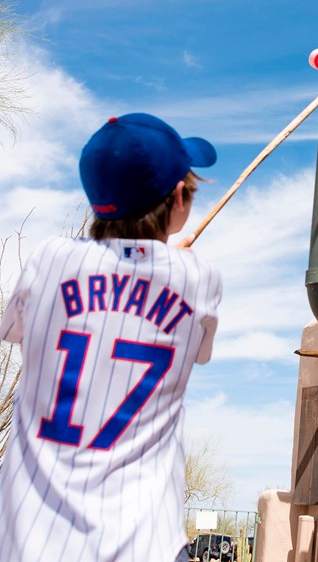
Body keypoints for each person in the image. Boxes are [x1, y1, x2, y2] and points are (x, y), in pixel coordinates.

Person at [0, 113, 222, 562]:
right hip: (145, 543)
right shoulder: (198, 277)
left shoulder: (49, 259)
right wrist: (158, 266)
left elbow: (14, 331)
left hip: (27, 541)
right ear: (179, 197)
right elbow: (199, 354)